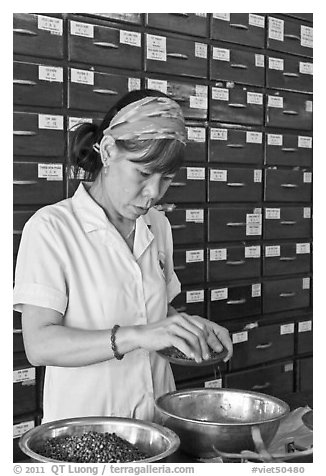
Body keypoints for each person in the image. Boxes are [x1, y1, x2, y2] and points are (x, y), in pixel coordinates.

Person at [13, 89, 233, 424]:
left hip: (158, 423)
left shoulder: (156, 224)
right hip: (86, 430)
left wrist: (186, 327)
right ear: (109, 152)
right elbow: (40, 343)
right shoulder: (51, 228)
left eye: (167, 179)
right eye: (143, 174)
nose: (154, 193)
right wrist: (137, 335)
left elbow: (151, 308)